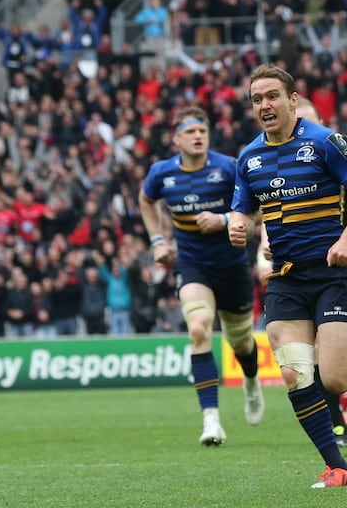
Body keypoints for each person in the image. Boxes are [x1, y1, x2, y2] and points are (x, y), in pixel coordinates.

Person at [228, 65, 347, 488]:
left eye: (272, 96)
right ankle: (337, 467)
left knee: (335, 379)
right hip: (284, 277)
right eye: (256, 99)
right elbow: (242, 206)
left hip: (332, 274)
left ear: (292, 100)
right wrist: (236, 224)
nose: (264, 105)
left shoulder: (324, 142)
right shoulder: (249, 156)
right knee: (295, 373)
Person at [139, 106, 264, 446]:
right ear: (176, 138)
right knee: (198, 330)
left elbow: (257, 210)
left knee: (241, 342)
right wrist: (157, 241)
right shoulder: (161, 174)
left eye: (202, 132)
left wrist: (224, 220)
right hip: (193, 265)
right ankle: (211, 420)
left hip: (232, 265)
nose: (197, 137)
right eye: (191, 132)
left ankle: (251, 382)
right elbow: (146, 200)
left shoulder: (227, 167)